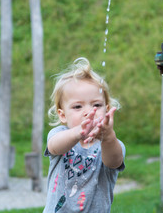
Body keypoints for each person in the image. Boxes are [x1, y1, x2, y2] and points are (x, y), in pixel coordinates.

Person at [43, 57, 125, 213]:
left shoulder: (111, 145)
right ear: (62, 115)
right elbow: (54, 147)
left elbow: (114, 162)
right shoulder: (60, 134)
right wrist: (77, 132)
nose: (88, 112)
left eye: (97, 105)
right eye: (77, 106)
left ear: (107, 110)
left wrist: (107, 137)